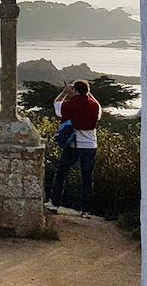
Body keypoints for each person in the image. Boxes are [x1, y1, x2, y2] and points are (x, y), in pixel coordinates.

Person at [45, 80, 102, 218]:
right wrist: (88, 93)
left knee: (61, 174)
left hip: (73, 145)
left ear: (75, 91)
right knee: (87, 178)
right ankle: (86, 211)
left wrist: (65, 92)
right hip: (90, 146)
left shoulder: (69, 105)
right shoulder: (94, 106)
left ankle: (54, 203)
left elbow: (56, 104)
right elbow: (100, 109)